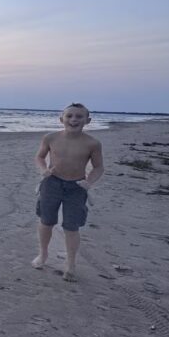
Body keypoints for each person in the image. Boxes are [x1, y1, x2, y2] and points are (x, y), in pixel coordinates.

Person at [32, 103, 104, 282]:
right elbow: (40, 157)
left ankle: (70, 264)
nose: (74, 119)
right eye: (69, 116)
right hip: (51, 184)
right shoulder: (50, 138)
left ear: (87, 120)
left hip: (77, 187)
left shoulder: (92, 143)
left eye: (79, 116)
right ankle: (43, 255)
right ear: (61, 119)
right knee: (46, 221)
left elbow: (98, 167)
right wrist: (43, 170)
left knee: (71, 226)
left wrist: (89, 182)